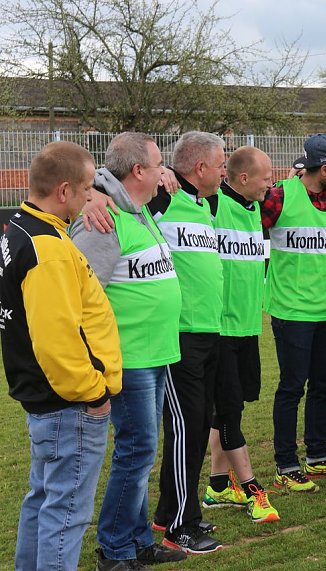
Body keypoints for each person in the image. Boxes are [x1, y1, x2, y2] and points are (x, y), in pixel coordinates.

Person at [0, 141, 122, 571]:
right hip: (68, 403)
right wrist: (94, 393)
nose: (91, 198)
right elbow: (57, 340)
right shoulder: (47, 248)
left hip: (45, 399)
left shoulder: (21, 227)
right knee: (67, 513)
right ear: (64, 189)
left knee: (43, 500)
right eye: (87, 189)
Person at [69, 133, 187, 569]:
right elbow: (81, 296)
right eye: (158, 165)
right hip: (128, 358)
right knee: (136, 452)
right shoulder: (104, 220)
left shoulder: (136, 209)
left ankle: (137, 541)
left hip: (153, 354)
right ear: (138, 171)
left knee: (141, 452)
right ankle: (114, 549)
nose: (164, 172)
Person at [262, 133, 326, 493]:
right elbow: (243, 219)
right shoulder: (279, 197)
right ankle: (286, 464)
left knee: (323, 385)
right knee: (292, 387)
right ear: (324, 169)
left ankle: (318, 456)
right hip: (291, 312)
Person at [148, 131, 226, 554]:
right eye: (221, 164)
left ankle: (168, 512)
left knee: (197, 426)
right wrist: (159, 172)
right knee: (186, 428)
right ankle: (182, 525)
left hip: (209, 332)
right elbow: (113, 188)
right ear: (199, 167)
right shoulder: (163, 197)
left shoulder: (204, 204)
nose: (225, 171)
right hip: (179, 337)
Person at [202, 146, 279, 523]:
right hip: (220, 331)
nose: (271, 184)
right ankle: (252, 490)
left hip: (248, 330)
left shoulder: (254, 209)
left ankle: (218, 486)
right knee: (230, 413)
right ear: (244, 178)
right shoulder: (213, 204)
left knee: (229, 411)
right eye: (266, 178)